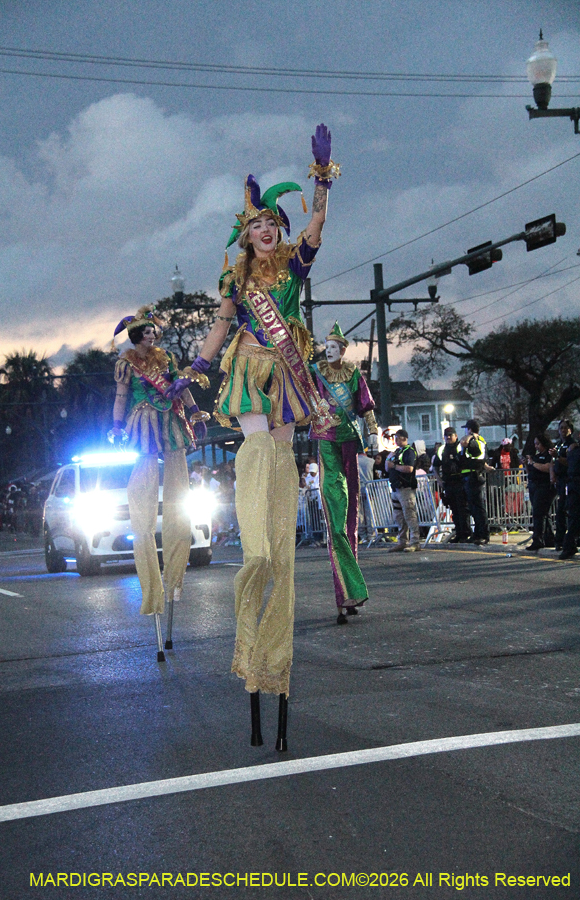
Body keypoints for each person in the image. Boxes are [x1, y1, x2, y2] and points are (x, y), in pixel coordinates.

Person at [167, 123, 339, 746]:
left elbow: (318, 228)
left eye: (273, 222)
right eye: (256, 225)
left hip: (289, 373)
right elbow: (216, 334)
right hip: (248, 370)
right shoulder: (236, 284)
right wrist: (190, 373)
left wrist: (321, 181)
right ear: (243, 236)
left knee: (283, 475)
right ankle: (258, 555)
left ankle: (276, 654)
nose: (267, 230)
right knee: (258, 465)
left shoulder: (296, 263)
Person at [110, 306, 208, 657]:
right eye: (145, 333)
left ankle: (175, 579)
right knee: (144, 506)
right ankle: (153, 590)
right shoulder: (126, 366)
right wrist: (117, 425)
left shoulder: (164, 360)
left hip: (170, 424)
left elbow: (180, 390)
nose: (151, 337)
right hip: (143, 426)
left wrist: (195, 412)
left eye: (154, 332)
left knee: (180, 496)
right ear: (135, 337)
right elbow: (122, 397)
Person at [308, 322, 379, 623]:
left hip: (350, 438)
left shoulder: (353, 375)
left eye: (335, 346)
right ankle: (344, 592)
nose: (330, 349)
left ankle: (350, 592)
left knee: (351, 519)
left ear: (343, 349)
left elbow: (366, 407)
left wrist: (373, 432)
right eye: (328, 345)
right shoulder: (315, 373)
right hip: (327, 441)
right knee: (335, 521)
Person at [433, 426, 471, 544]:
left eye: (451, 435)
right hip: (449, 484)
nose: (448, 437)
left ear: (456, 436)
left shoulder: (461, 447)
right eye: (446, 435)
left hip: (461, 482)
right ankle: (459, 534)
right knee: (454, 510)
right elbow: (435, 466)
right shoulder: (442, 450)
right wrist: (440, 481)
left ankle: (465, 534)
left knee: (463, 510)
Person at [385, 429, 420, 551]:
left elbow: (409, 468)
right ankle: (402, 541)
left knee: (409, 515)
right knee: (399, 516)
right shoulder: (396, 452)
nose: (395, 440)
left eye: (398, 438)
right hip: (395, 488)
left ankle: (415, 541)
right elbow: (387, 468)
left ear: (404, 438)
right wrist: (388, 459)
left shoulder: (409, 452)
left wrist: (394, 466)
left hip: (405, 488)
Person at [522, 433, 556, 552]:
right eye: (535, 444)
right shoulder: (536, 456)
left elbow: (547, 467)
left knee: (538, 512)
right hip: (533, 485)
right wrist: (527, 464)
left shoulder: (548, 455)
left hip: (544, 486)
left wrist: (532, 463)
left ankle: (538, 539)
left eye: (538, 444)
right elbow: (530, 471)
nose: (536, 446)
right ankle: (549, 538)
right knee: (543, 513)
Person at [458, 418, 490, 545]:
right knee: (473, 508)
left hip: (474, 477)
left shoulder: (475, 440)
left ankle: (483, 534)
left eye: (467, 429)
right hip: (470, 476)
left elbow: (465, 444)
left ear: (470, 429)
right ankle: (477, 534)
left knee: (478, 508)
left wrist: (470, 436)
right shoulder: (475, 440)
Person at [550, 419, 576, 551]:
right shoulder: (559, 444)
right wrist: (552, 474)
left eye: (566, 428)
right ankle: (559, 539)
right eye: (561, 428)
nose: (563, 430)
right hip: (559, 481)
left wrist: (558, 457)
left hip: (569, 480)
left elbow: (570, 462)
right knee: (560, 511)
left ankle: (569, 539)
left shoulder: (572, 445)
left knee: (566, 511)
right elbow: (552, 462)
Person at [559, 429, 580, 560]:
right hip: (575, 485)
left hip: (573, 486)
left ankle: (569, 545)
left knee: (573, 518)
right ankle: (569, 546)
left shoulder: (573, 451)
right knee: (574, 518)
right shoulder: (574, 452)